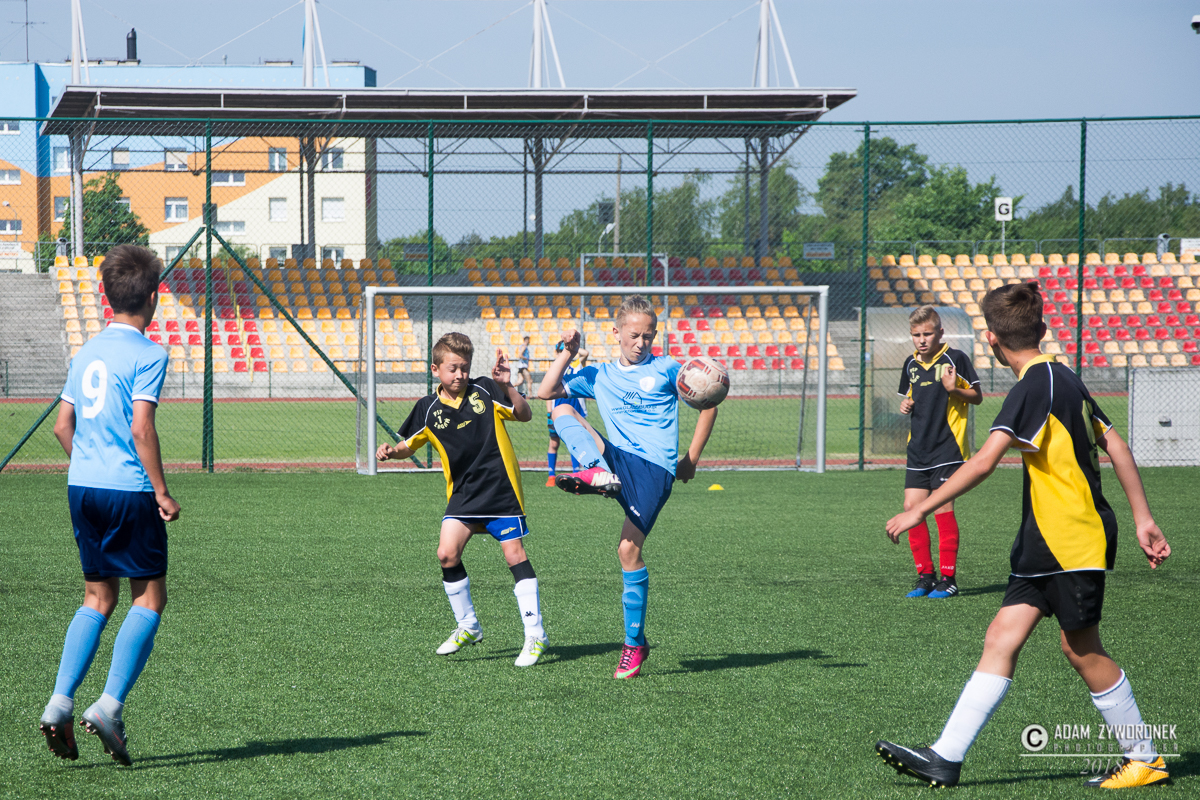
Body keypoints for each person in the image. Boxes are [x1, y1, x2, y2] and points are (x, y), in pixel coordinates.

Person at [877, 282, 1172, 789]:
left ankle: (1145, 758)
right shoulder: (1065, 377)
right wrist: (1143, 518)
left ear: (991, 340)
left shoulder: (1033, 385)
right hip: (1045, 539)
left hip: (1070, 538)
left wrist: (918, 509)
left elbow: (984, 462)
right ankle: (945, 756)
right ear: (1043, 329)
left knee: (1082, 650)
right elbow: (1116, 444)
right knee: (1001, 637)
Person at [40, 244, 181, 767]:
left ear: (106, 296)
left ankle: (59, 702)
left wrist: (91, 465)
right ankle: (108, 706)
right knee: (149, 598)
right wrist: (161, 491)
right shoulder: (149, 354)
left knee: (97, 597)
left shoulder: (86, 353)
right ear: (153, 297)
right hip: (128, 490)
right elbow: (142, 428)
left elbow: (63, 426)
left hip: (82, 487)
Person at [537, 296, 718, 679]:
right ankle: (594, 471)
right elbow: (546, 392)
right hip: (617, 461)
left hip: (654, 470)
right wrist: (568, 353)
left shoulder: (667, 368)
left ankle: (634, 643)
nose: (641, 343)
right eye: (634, 335)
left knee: (628, 551)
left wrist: (691, 459)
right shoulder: (600, 375)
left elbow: (708, 403)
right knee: (562, 409)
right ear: (616, 332)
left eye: (648, 336)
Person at [376, 332, 548, 667]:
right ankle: (468, 625)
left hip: (500, 489)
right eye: (452, 368)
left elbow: (524, 415)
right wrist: (391, 452)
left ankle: (535, 634)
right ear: (435, 369)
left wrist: (508, 386)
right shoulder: (427, 409)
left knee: (514, 554)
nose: (460, 374)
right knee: (446, 553)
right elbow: (409, 445)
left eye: (464, 367)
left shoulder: (485, 389)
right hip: (464, 494)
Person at [896, 305, 982, 599]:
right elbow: (911, 396)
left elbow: (977, 397)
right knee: (911, 508)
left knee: (942, 509)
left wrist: (953, 389)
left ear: (940, 332)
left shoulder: (955, 359)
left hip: (948, 448)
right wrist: (906, 404)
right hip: (917, 449)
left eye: (927, 334)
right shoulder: (910, 364)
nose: (922, 340)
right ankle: (925, 576)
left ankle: (948, 579)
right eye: (916, 335)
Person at [545, 344, 589, 487]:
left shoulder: (575, 365)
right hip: (557, 411)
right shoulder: (554, 368)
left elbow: (585, 353)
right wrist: (549, 414)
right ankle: (551, 475)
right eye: (560, 350)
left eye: (564, 350)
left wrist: (571, 348)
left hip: (575, 410)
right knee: (554, 442)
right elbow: (548, 393)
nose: (562, 353)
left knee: (576, 442)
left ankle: (576, 473)